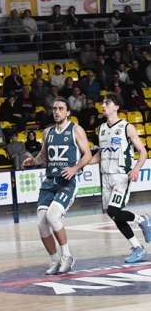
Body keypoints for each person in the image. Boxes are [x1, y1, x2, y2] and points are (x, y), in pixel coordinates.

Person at [22, 98, 92, 275]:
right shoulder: (47, 132)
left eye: (61, 108)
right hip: (49, 181)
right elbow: (43, 156)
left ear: (68, 112)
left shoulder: (76, 130)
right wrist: (33, 161)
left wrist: (75, 169)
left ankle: (67, 255)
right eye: (54, 109)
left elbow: (88, 155)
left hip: (67, 182)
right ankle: (54, 259)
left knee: (53, 217)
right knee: (41, 223)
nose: (57, 111)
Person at [89, 94, 151, 263]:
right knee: (115, 215)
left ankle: (142, 220)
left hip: (121, 176)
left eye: (106, 103)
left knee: (113, 211)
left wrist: (136, 169)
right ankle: (137, 248)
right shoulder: (101, 128)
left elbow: (143, 152)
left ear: (116, 106)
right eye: (102, 102)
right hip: (106, 177)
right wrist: (83, 164)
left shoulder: (127, 127)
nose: (103, 105)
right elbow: (101, 154)